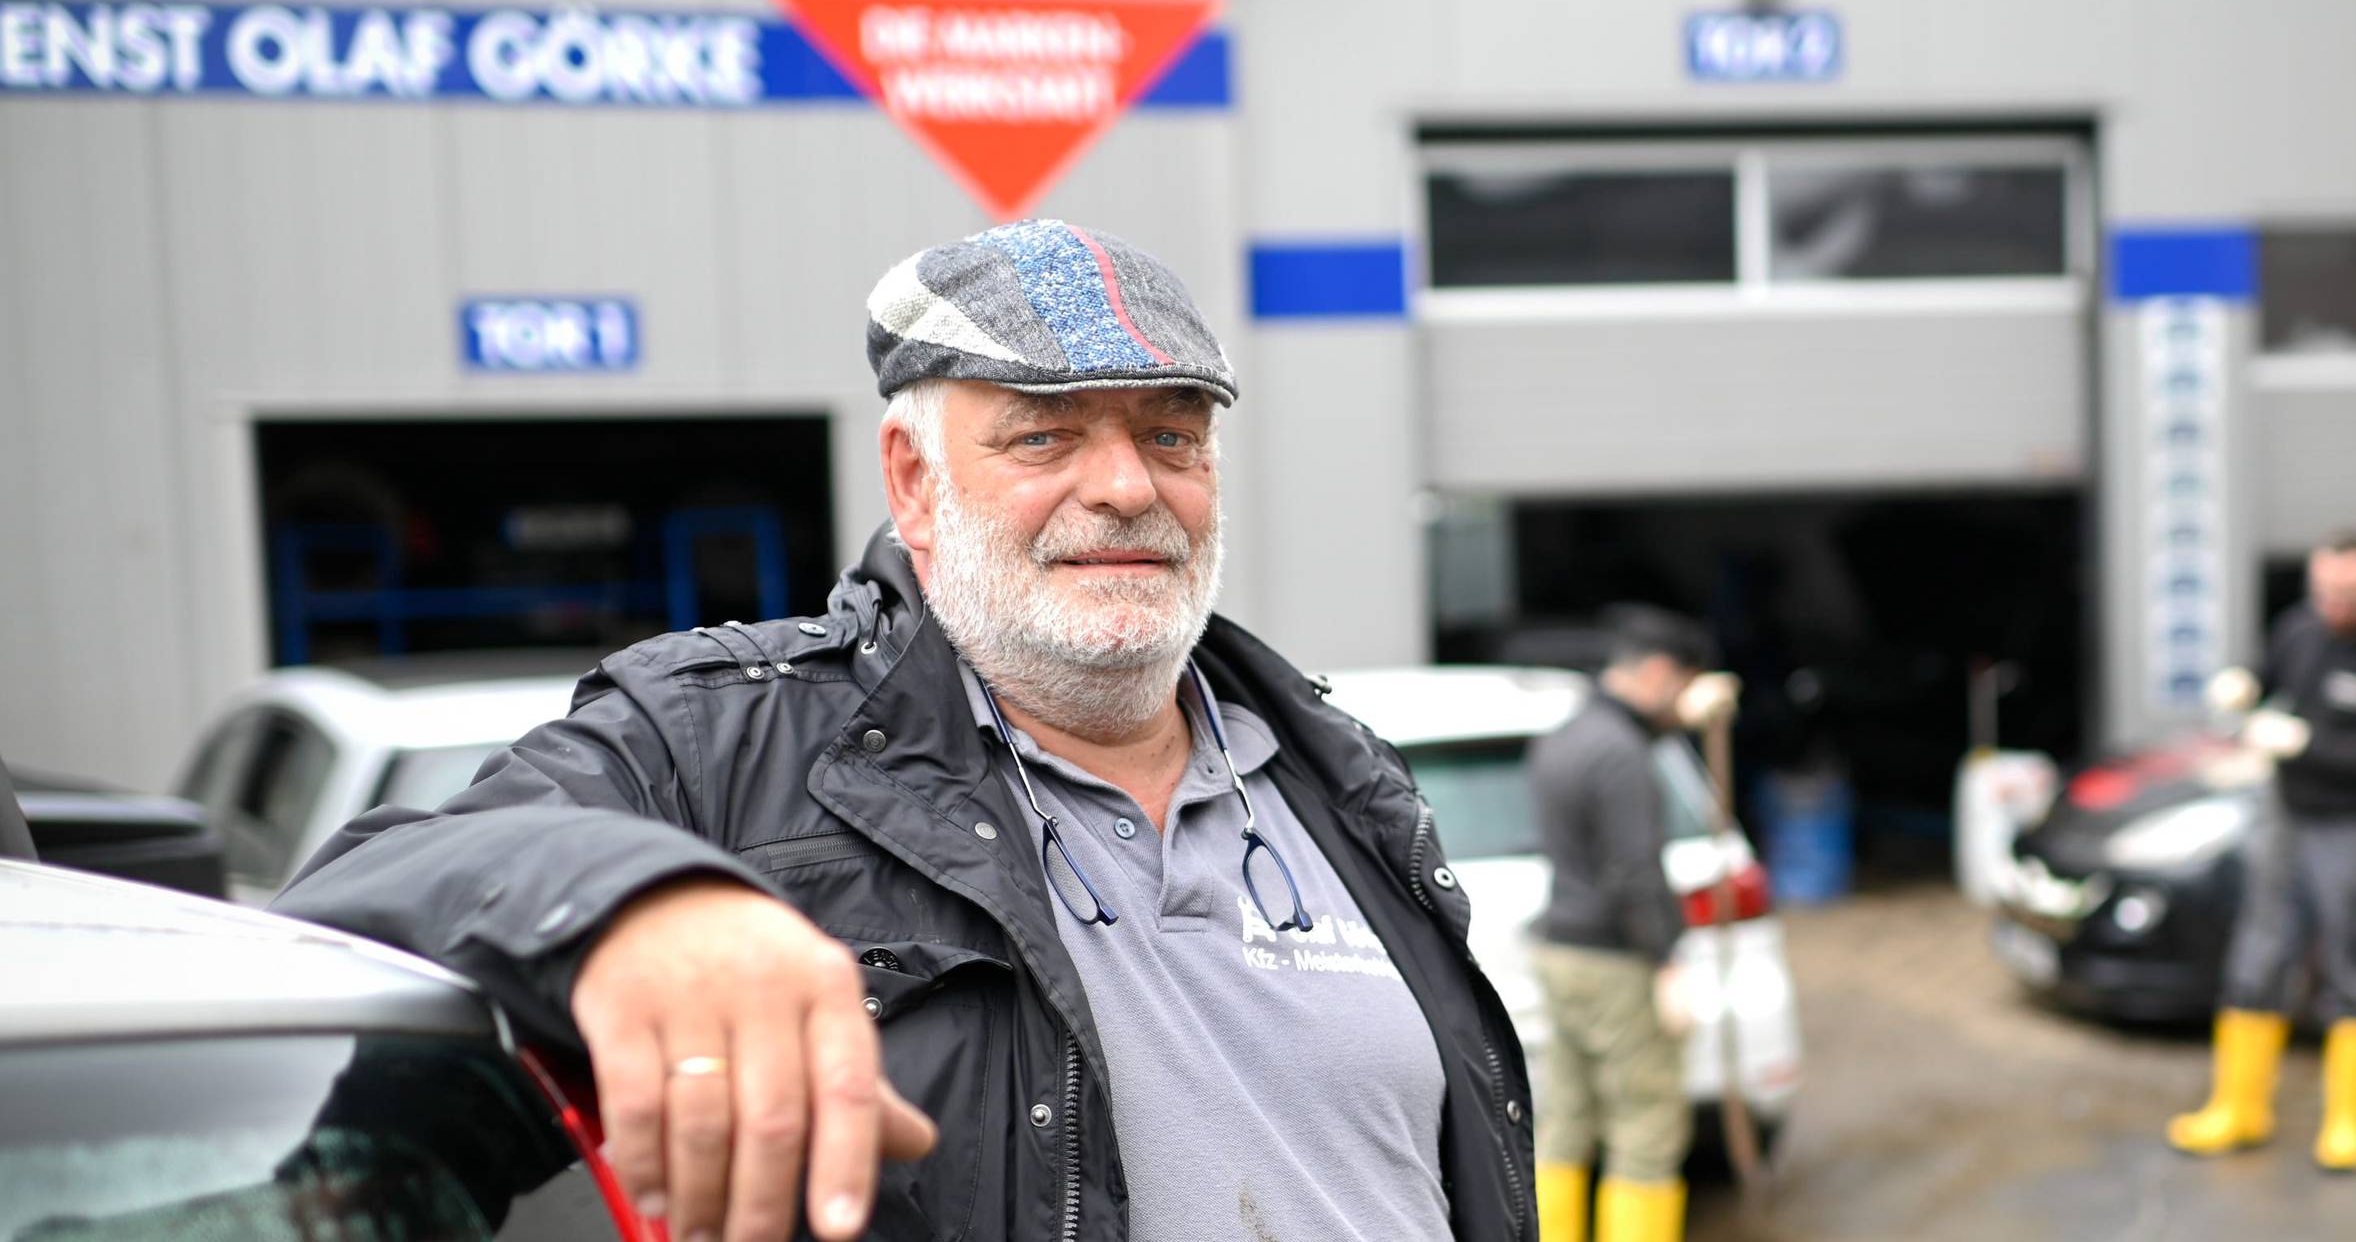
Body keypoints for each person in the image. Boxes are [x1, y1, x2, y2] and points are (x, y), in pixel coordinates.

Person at [274, 221, 1534, 1242]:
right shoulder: (722, 742)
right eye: (1045, 435)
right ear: (913, 478)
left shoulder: (1338, 774)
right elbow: (352, 892)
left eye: (1170, 437)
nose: (1127, 486)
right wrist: (637, 902)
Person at [2167, 529, 2356, 1171]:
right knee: (2259, 951)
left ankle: (2345, 1122)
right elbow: (2268, 672)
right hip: (2285, 817)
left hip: (2351, 828)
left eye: (2349, 594)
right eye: (2326, 592)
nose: (2335, 606)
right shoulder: (2299, 630)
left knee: (2353, 963)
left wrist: (2304, 744)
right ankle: (2239, 1106)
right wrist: (2244, 685)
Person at [1527, 605, 1715, 1242]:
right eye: (1685, 686)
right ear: (1661, 673)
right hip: (1617, 962)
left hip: (1563, 950)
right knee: (1648, 1128)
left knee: (1568, 1122)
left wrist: (1686, 718)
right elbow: (1634, 871)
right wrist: (1667, 962)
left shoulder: (1569, 736)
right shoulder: (1623, 756)